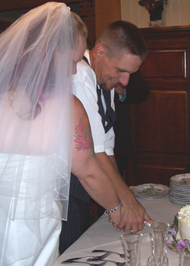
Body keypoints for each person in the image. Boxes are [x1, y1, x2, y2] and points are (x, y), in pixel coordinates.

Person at [0, 3, 126, 265]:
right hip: (34, 230)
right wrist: (116, 209)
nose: (74, 70)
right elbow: (89, 172)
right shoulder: (67, 107)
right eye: (72, 61)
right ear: (47, 53)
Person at [63, 20, 152, 252]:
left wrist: (126, 200)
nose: (125, 82)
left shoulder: (104, 80)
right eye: (120, 70)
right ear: (100, 52)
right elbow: (95, 152)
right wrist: (125, 203)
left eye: (130, 74)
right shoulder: (80, 74)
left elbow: (107, 146)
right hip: (68, 190)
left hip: (87, 186)